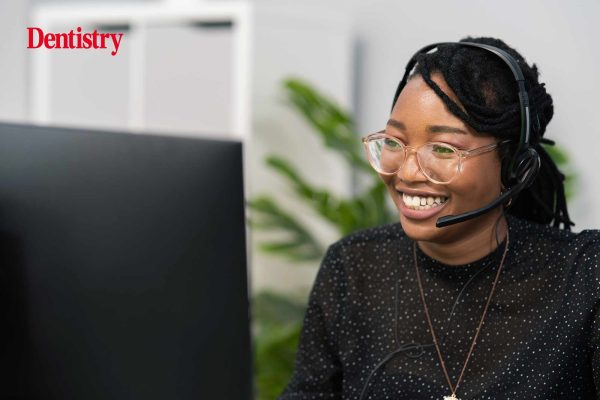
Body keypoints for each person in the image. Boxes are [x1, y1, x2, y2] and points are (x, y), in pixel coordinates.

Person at [277, 36, 600, 399]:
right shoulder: (354, 268)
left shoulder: (585, 276)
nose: (407, 172)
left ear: (513, 166)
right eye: (394, 142)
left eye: (443, 149)